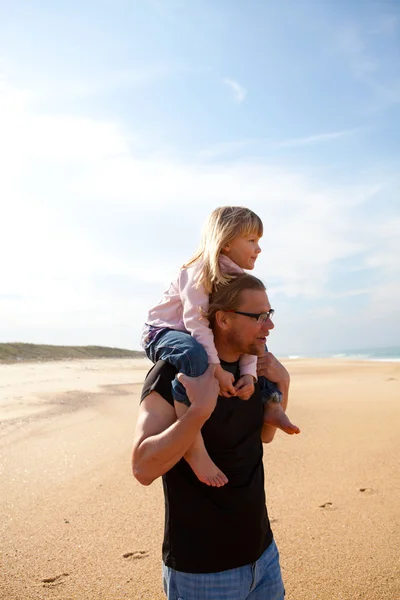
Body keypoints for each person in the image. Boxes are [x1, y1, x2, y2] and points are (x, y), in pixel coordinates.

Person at [132, 273, 295, 600]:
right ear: (222, 319)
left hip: (263, 555)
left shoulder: (253, 370)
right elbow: (143, 467)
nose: (270, 326)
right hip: (202, 571)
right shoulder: (174, 373)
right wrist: (199, 411)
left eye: (270, 314)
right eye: (258, 317)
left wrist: (284, 385)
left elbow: (264, 437)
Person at [141, 206, 299, 487]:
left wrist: (252, 375)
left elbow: (249, 339)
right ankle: (195, 449)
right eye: (251, 241)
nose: (258, 249)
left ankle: (271, 403)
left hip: (255, 527)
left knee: (253, 347)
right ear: (225, 242)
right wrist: (214, 369)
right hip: (165, 332)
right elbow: (195, 322)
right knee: (193, 354)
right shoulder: (198, 271)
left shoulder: (237, 277)